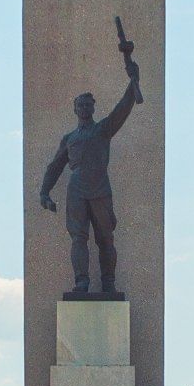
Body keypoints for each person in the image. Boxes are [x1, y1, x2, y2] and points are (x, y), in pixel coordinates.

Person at [38, 53, 141, 296]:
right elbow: (54, 166)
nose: (84, 108)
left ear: (93, 108)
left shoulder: (103, 130)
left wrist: (133, 80)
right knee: (78, 238)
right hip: (76, 190)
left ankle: (108, 282)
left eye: (88, 105)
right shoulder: (70, 139)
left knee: (106, 238)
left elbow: (122, 109)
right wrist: (45, 191)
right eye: (80, 105)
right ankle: (81, 282)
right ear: (75, 109)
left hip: (100, 189)